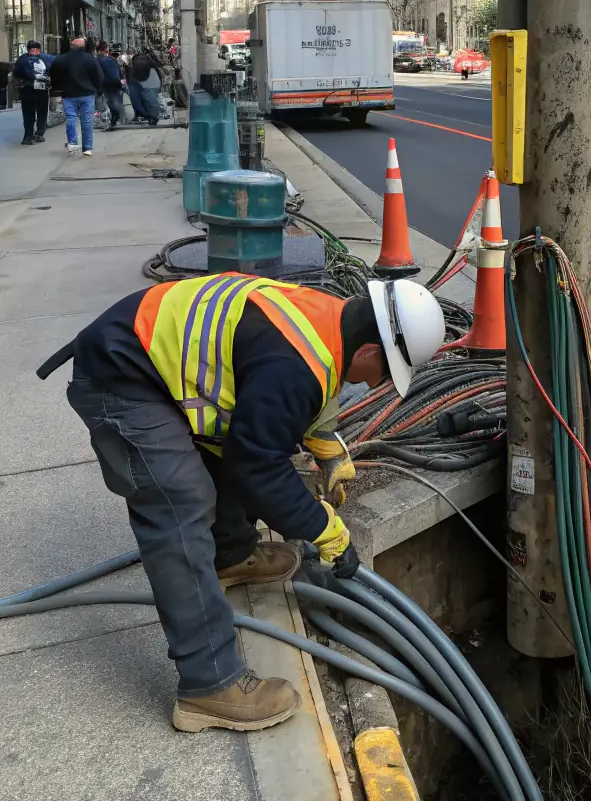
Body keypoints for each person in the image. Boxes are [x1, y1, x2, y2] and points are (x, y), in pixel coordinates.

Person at [40, 274, 447, 731]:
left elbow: (271, 406)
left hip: (148, 355)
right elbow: (259, 464)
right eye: (385, 375)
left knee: (237, 445)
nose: (377, 387)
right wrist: (323, 527)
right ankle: (208, 684)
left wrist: (325, 444)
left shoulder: (330, 320)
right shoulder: (295, 365)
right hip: (121, 374)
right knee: (179, 501)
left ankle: (229, 554)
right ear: (370, 351)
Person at [49, 37, 104, 155]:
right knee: (87, 120)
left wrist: (58, 90)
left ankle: (72, 143)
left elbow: (54, 76)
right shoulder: (90, 59)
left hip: (68, 95)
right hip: (87, 94)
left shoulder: (60, 60)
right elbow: (99, 76)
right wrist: (97, 89)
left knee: (71, 118)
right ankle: (87, 148)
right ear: (83, 47)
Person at [12, 41, 52, 145]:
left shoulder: (21, 60)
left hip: (27, 88)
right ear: (38, 49)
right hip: (41, 88)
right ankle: (39, 133)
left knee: (28, 113)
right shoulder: (48, 58)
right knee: (42, 111)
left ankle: (28, 136)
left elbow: (15, 73)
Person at [96, 41, 125, 129]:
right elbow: (114, 76)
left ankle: (106, 121)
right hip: (111, 87)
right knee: (114, 105)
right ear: (106, 49)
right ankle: (115, 120)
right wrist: (120, 84)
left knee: (102, 106)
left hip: (99, 87)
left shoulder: (95, 60)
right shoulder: (109, 60)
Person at [129, 50, 163, 125]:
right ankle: (153, 117)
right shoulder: (151, 63)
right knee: (151, 102)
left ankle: (144, 116)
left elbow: (135, 98)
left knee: (141, 101)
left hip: (145, 83)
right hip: (152, 84)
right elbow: (159, 74)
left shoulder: (135, 66)